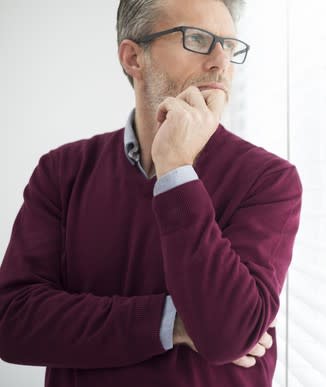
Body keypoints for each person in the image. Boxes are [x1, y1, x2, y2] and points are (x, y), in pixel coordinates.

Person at [0, 0, 302, 386]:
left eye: (228, 44)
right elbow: (13, 323)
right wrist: (174, 322)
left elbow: (227, 332)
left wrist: (177, 170)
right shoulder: (61, 172)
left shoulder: (268, 180)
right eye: (197, 39)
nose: (219, 62)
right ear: (133, 57)